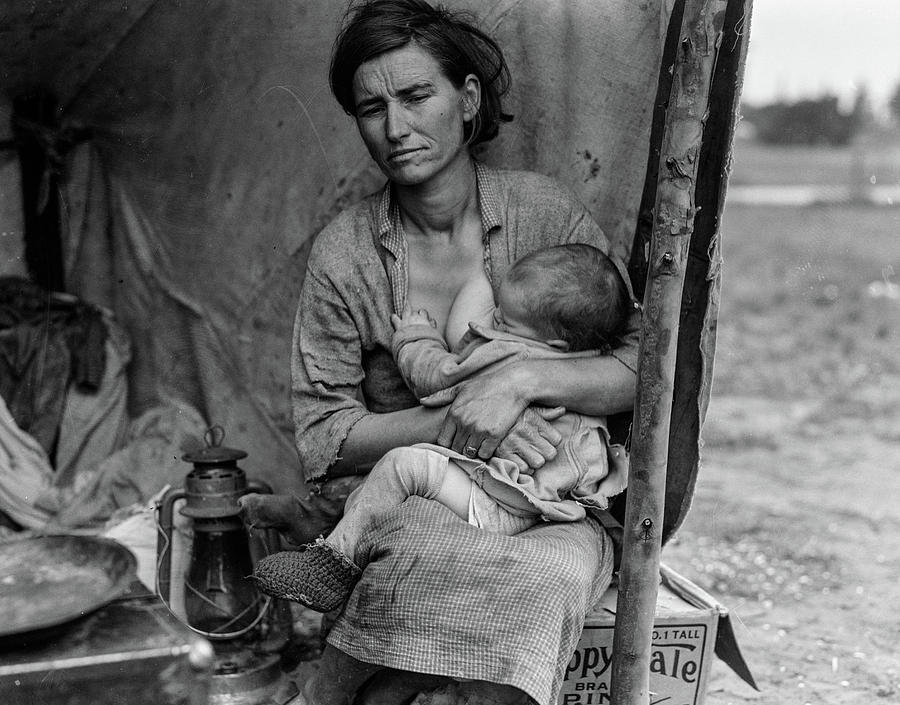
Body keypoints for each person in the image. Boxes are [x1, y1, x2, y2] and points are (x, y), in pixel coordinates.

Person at [241, 2, 642, 704]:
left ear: (467, 98)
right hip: (426, 497)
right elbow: (324, 437)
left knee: (544, 586)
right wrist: (461, 416)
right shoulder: (347, 253)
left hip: (553, 508)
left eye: (416, 95)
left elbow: (642, 369)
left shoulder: (544, 216)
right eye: (371, 108)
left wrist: (518, 381)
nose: (395, 128)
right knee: (415, 557)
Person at [252, 243, 633, 613]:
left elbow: (437, 377)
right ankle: (325, 520)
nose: (492, 319)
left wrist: (417, 336)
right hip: (549, 498)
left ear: (553, 342)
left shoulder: (511, 353)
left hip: (505, 502)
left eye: (503, 319)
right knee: (399, 484)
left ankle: (331, 566)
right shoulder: (587, 360)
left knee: (404, 466)